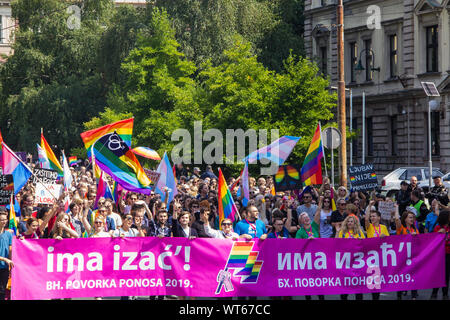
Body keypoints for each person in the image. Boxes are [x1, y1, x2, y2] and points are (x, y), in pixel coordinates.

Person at [364, 200, 390, 300]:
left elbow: (389, 241)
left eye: (374, 216)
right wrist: (369, 206)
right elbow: (366, 220)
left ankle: (376, 297)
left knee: (378, 279)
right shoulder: (369, 226)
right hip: (371, 255)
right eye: (371, 216)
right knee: (371, 278)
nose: (372, 218)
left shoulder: (383, 227)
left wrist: (385, 237)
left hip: (381, 255)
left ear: (379, 217)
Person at [336, 214, 365, 300]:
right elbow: (336, 244)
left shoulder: (359, 232)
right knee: (345, 285)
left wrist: (361, 241)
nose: (349, 223)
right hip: (346, 262)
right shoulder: (342, 232)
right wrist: (337, 232)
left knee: (358, 285)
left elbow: (364, 244)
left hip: (357, 262)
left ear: (355, 223)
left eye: (351, 221)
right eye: (348, 221)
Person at [394, 205, 419, 300]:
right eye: (410, 217)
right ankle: (399, 295)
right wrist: (396, 207)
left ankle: (414, 295)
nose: (412, 219)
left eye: (413, 218)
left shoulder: (415, 230)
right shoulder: (402, 229)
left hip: (413, 256)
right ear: (405, 219)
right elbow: (397, 219)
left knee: (414, 275)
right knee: (402, 275)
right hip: (402, 256)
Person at [430, 210, 450, 300]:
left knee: (446, 275)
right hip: (439, 255)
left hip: (448, 255)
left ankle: (445, 294)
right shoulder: (437, 228)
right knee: (438, 274)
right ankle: (434, 293)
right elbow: (433, 242)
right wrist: (439, 234)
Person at [0, 210, 13, 300]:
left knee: (2, 290)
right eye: (1, 220)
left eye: (5, 219)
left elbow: (10, 250)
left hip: (4, 268)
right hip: (4, 263)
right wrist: (5, 259)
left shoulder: (8, 234)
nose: (4, 222)